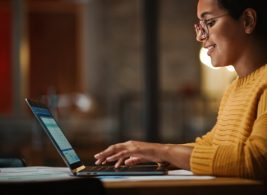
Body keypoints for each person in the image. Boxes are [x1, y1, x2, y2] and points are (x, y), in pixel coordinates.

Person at [94, 0, 267, 180]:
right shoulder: (235, 88)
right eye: (200, 25)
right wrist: (154, 153)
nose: (200, 37)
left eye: (209, 23)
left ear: (248, 21)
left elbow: (257, 159)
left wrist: (164, 151)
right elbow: (211, 146)